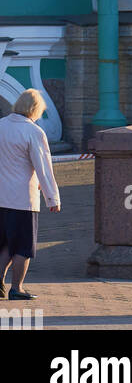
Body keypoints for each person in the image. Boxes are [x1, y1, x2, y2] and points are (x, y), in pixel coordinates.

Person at [0, 88, 61, 300]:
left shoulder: (1, 126)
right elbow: (43, 167)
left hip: (1, 198)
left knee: (6, 244)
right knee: (23, 247)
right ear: (35, 109)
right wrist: (52, 197)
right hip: (23, 200)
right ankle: (17, 288)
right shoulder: (34, 132)